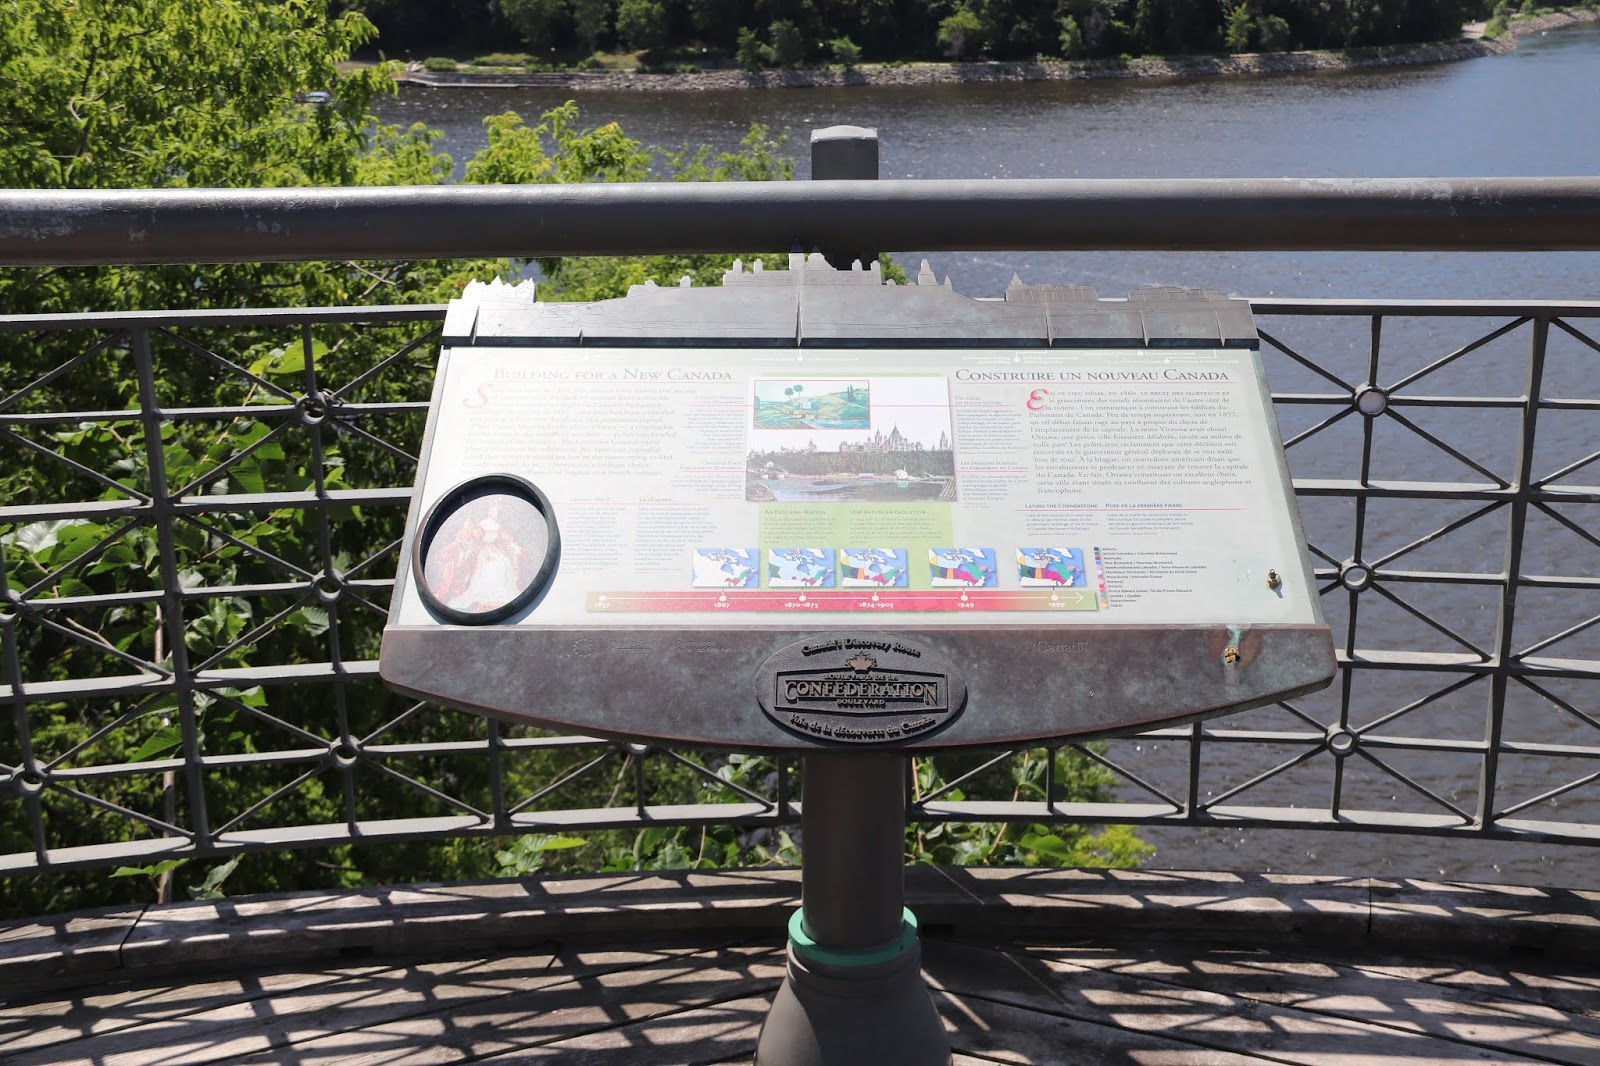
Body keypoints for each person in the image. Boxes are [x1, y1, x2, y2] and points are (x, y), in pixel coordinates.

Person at [434, 501, 527, 612]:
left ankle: (501, 590)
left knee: (505, 562)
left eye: (496, 513)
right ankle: (487, 591)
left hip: (495, 549)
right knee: (492, 564)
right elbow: (477, 542)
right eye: (492, 512)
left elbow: (506, 539)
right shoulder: (482, 524)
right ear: (488, 512)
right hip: (483, 550)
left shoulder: (498, 526)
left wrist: (514, 546)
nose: (494, 514)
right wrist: (486, 553)